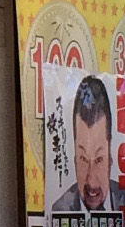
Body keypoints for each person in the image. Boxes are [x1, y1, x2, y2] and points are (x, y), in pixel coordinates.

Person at [49, 76, 115, 215]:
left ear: (110, 157)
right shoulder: (60, 211)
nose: (91, 180)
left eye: (99, 160)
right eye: (83, 159)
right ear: (74, 158)